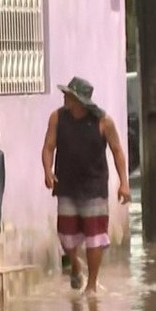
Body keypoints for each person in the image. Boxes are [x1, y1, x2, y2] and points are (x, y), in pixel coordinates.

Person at [42, 76, 131, 295]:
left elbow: (117, 151)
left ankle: (91, 285)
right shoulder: (57, 118)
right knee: (66, 234)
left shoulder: (103, 121)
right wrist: (47, 170)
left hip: (94, 185)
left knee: (94, 237)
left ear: (79, 101)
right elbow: (48, 147)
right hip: (66, 183)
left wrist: (124, 183)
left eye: (69, 96)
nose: (65, 98)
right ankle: (75, 263)